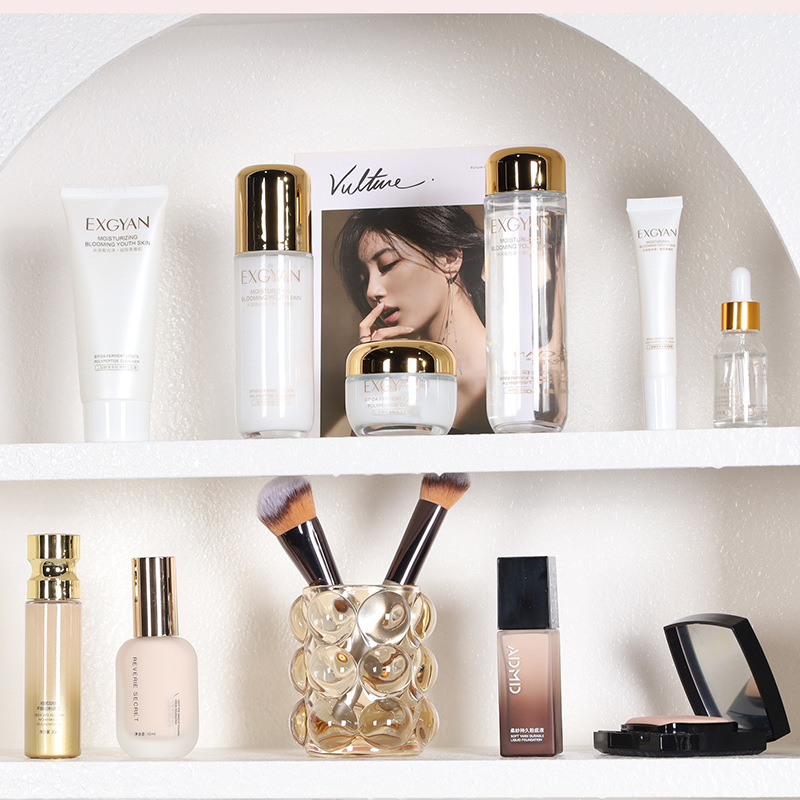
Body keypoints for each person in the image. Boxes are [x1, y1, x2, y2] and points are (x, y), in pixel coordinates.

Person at [336, 206, 491, 433]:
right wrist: (376, 385)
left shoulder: (522, 378)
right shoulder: (401, 394)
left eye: (387, 265)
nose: (371, 291)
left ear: (449, 257)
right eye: (364, 280)